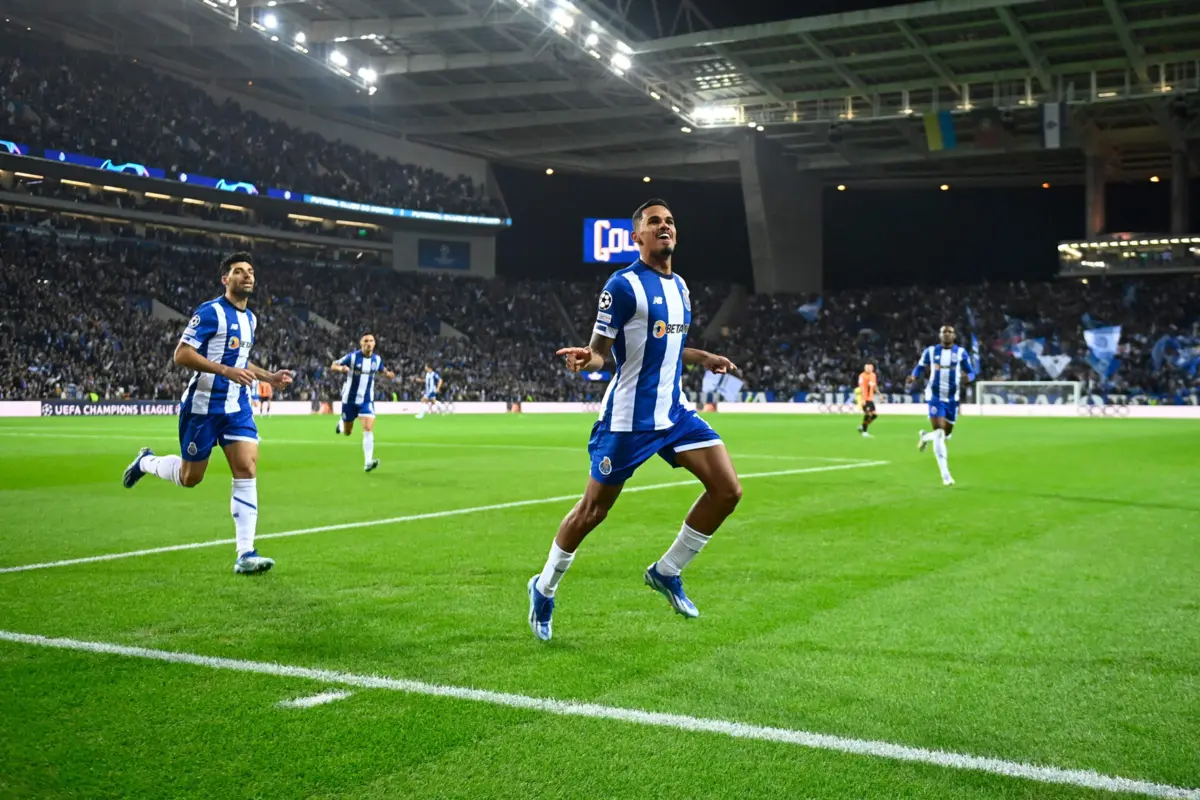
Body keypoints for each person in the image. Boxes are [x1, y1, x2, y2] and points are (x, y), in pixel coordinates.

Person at [527, 199, 742, 642]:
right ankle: (544, 587)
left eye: (669, 221)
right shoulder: (621, 286)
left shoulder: (681, 288)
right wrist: (587, 360)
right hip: (628, 419)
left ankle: (666, 572)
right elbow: (601, 352)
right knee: (592, 511)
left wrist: (706, 357)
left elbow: (666, 345)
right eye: (653, 222)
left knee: (727, 490)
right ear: (637, 237)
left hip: (674, 413)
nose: (664, 227)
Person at [121, 252, 293, 573]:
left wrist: (268, 376)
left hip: (236, 406)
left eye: (251, 271)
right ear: (225, 279)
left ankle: (246, 553)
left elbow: (240, 363)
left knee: (246, 468)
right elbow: (182, 354)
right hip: (202, 407)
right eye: (239, 272)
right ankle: (146, 461)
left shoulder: (251, 319)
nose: (247, 276)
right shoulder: (210, 312)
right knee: (190, 478)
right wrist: (225, 371)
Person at [907, 325, 975, 486]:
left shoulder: (960, 353)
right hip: (935, 396)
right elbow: (920, 366)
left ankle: (924, 437)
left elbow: (971, 372)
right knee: (939, 433)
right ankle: (946, 476)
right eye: (944, 332)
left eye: (950, 332)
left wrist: (969, 378)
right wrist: (914, 376)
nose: (946, 334)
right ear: (939, 335)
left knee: (946, 434)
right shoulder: (931, 351)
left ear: (954, 336)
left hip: (952, 398)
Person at [331, 333, 395, 472]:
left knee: (368, 428)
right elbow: (333, 365)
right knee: (348, 432)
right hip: (349, 399)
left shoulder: (377, 359)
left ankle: (368, 462)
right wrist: (341, 368)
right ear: (361, 343)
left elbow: (382, 369)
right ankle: (342, 422)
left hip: (366, 400)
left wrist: (387, 373)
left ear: (374, 343)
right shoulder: (352, 357)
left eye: (371, 341)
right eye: (366, 341)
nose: (369, 343)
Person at [857, 363, 878, 437]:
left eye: (870, 367)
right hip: (865, 399)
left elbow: (874, 386)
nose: (868, 369)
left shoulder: (873, 375)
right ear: (864, 368)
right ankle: (864, 432)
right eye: (867, 367)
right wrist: (863, 399)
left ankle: (863, 426)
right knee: (868, 414)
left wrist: (879, 394)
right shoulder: (862, 376)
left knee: (875, 415)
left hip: (870, 399)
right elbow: (861, 388)